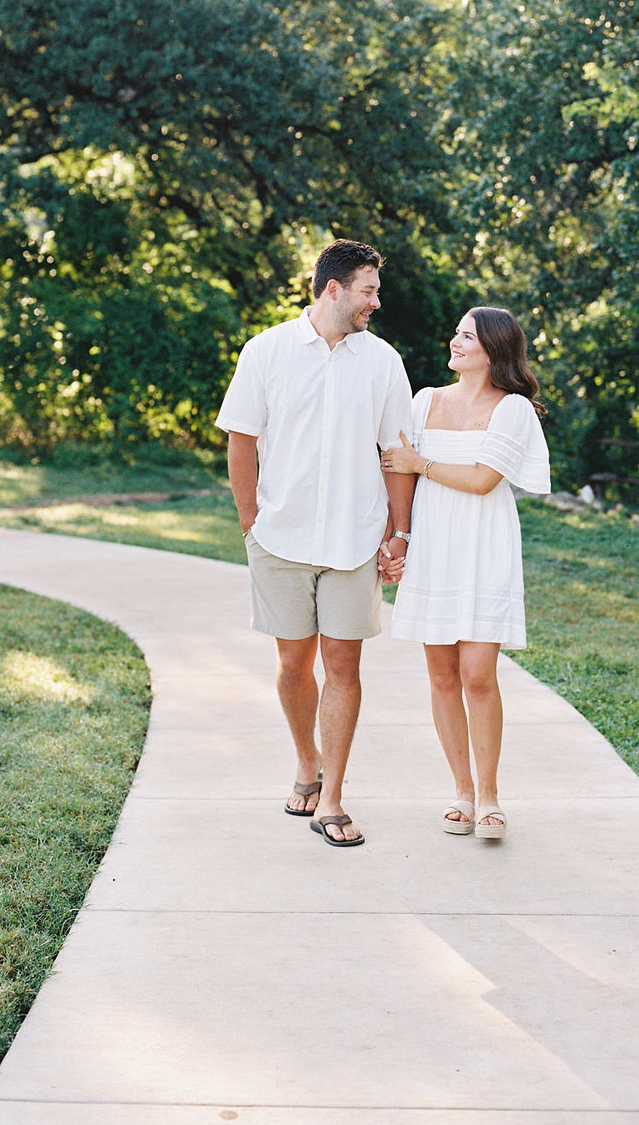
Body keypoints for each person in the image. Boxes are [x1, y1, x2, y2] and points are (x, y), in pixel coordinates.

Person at [216, 240, 414, 848]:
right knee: (294, 664)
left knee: (344, 665)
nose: (376, 302)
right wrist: (251, 520)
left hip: (354, 538)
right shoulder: (266, 351)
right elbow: (242, 440)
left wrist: (398, 531)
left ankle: (332, 797)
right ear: (333, 288)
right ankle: (307, 761)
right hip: (280, 536)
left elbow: (397, 454)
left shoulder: (383, 363)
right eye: (368, 290)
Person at [381, 307, 550, 839]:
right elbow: (397, 477)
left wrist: (421, 465)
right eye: (455, 331)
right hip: (432, 547)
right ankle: (462, 791)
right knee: (441, 675)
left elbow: (482, 481)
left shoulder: (514, 409)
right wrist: (399, 536)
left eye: (467, 336)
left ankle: (491, 796)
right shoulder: (425, 400)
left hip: (484, 549)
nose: (454, 341)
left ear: (494, 350)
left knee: (478, 676)